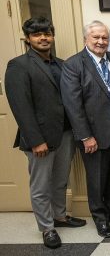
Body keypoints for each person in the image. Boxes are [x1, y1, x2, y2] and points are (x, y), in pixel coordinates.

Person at [4, 17, 86, 249]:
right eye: (37, 34)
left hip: (66, 134)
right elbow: (20, 106)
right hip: (40, 138)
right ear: (28, 39)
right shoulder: (18, 65)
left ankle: (60, 216)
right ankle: (46, 228)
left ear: (52, 35)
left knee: (60, 180)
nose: (43, 38)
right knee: (40, 186)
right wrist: (35, 140)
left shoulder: (61, 64)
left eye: (47, 33)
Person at [60, 21, 110, 238]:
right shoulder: (74, 65)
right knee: (97, 178)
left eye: (105, 38)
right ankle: (100, 219)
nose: (101, 42)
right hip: (93, 135)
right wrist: (85, 136)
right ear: (86, 39)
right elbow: (73, 106)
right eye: (96, 38)